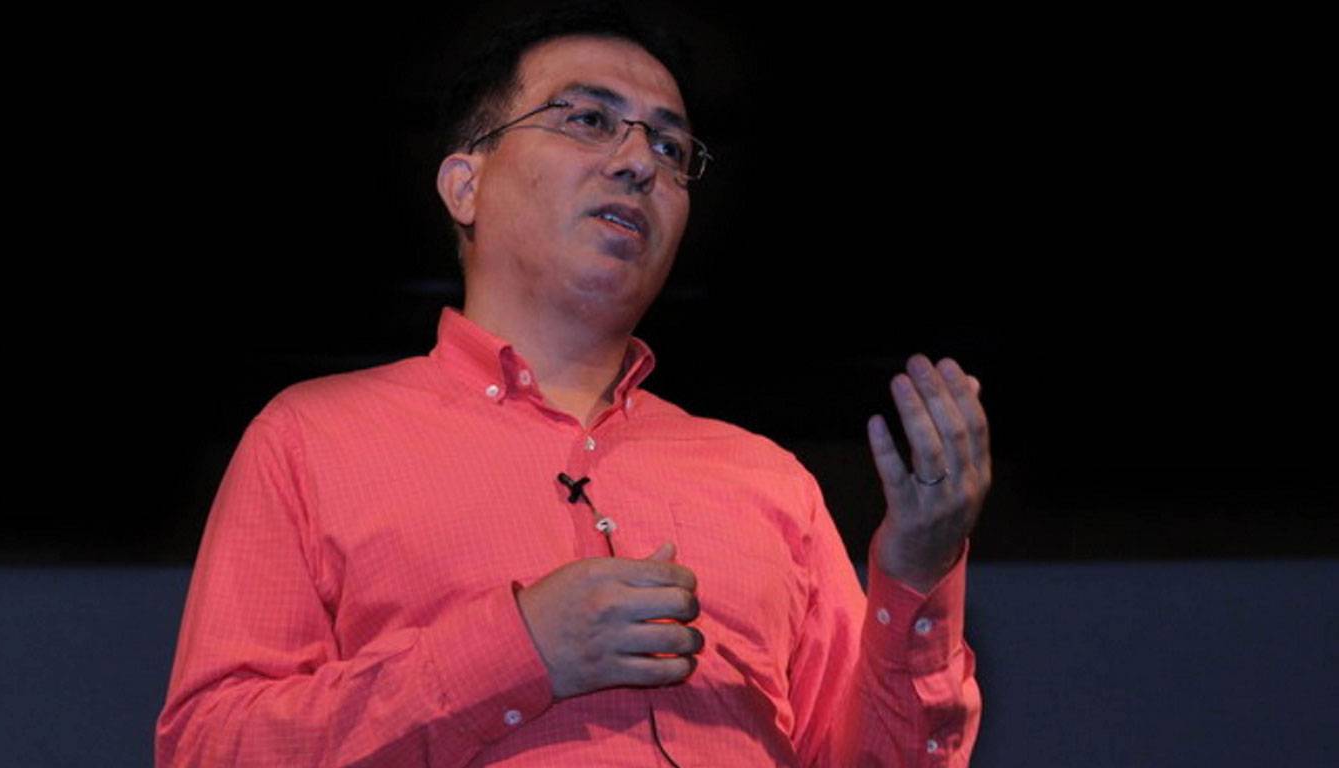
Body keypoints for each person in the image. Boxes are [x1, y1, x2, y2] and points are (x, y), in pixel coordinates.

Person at [156, 6, 986, 766]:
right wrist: (516, 650)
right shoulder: (312, 438)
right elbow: (209, 750)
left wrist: (919, 571)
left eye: (671, 149)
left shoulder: (771, 484)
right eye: (588, 120)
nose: (639, 163)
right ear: (465, 184)